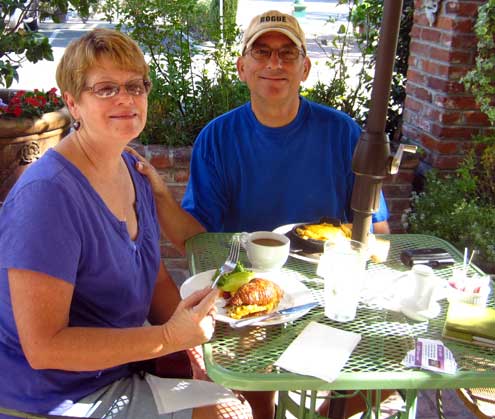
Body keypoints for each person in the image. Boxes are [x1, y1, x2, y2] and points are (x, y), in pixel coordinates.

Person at [133, 10, 392, 419]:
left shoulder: (344, 133)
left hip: (327, 294)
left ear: (305, 68)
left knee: (383, 370)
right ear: (242, 67)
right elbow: (194, 240)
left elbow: (378, 234)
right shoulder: (218, 137)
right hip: (250, 301)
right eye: (262, 51)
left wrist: (349, 254)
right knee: (252, 392)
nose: (275, 63)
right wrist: (162, 196)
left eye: (288, 54)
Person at [0, 28, 253, 419]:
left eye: (136, 86)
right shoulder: (48, 196)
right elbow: (44, 347)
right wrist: (170, 338)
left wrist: (200, 349)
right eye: (105, 89)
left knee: (234, 395)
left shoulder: (133, 171)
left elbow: (153, 280)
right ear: (73, 103)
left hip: (117, 368)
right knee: (229, 414)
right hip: (53, 396)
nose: (126, 98)